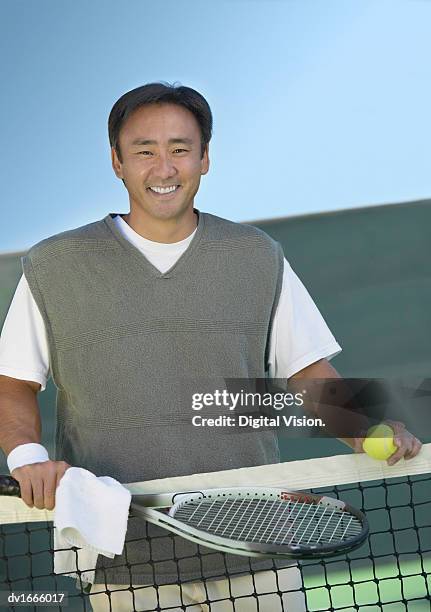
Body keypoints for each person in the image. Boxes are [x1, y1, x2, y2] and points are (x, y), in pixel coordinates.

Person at [0, 82, 422, 611]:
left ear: (205, 159)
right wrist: (29, 457)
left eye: (180, 149)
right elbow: (12, 383)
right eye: (144, 151)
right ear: (117, 162)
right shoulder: (53, 265)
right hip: (126, 568)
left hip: (260, 559)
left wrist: (368, 428)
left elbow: (312, 377)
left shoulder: (257, 256)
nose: (164, 168)